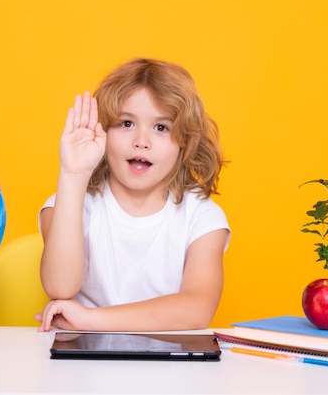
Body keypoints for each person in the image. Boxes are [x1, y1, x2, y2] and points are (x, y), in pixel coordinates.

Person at [35, 58, 230, 332]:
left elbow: (197, 308)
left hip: (169, 364)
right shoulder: (68, 204)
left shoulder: (202, 216)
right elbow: (59, 286)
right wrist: (72, 174)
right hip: (80, 364)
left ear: (184, 141)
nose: (141, 140)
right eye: (126, 123)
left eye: (161, 127)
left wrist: (91, 320)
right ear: (101, 131)